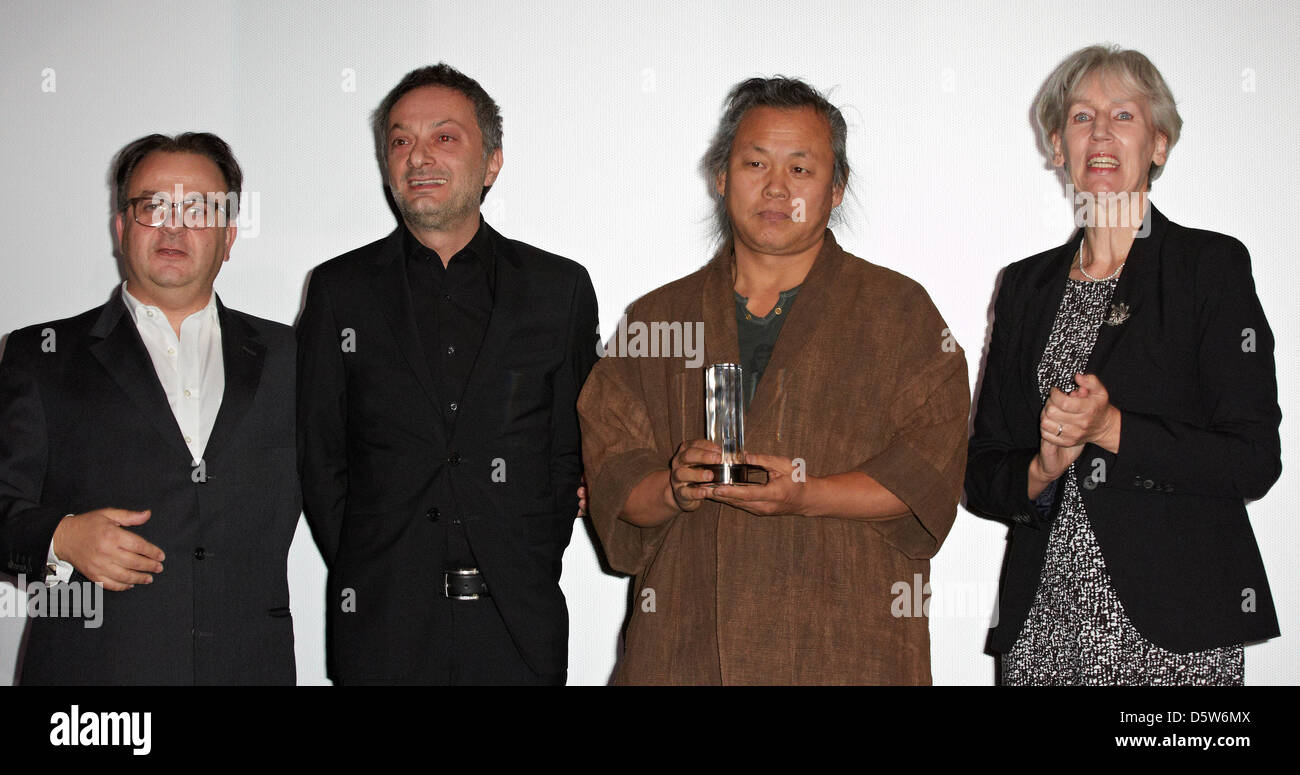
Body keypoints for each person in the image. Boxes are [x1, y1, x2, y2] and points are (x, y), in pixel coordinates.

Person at [577, 77, 969, 684]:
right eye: (755, 162)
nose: (776, 187)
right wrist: (674, 487)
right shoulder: (657, 320)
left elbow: (929, 474)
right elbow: (611, 477)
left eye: (801, 169)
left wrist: (806, 493)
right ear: (721, 178)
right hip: (684, 645)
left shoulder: (898, 313)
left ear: (836, 188)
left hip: (846, 641)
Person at [965, 45, 1281, 685]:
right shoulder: (1025, 287)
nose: (1101, 132)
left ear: (1159, 145)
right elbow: (981, 471)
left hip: (1176, 631)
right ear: (1058, 146)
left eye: (1124, 116)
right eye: (1082, 117)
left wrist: (1112, 430)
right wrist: (1041, 468)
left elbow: (1253, 460)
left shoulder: (1208, 269)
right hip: (1044, 627)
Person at [297, 63, 598, 685]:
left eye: (445, 137)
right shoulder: (339, 291)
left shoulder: (558, 289)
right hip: (382, 630)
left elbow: (569, 447)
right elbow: (320, 453)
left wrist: (534, 555)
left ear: (491, 163)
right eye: (401, 140)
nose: (418, 157)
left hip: (517, 625)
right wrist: (370, 566)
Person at [0, 133, 299, 684]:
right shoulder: (40, 355)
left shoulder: (296, 359)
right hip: (94, 690)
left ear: (230, 235)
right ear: (121, 228)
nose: (173, 225)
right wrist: (59, 537)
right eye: (152, 206)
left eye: (199, 208)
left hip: (247, 668)